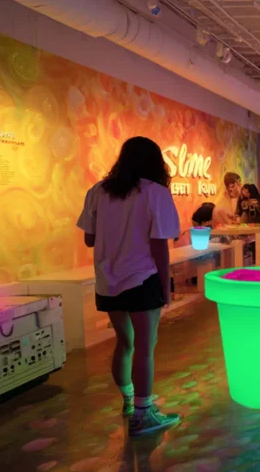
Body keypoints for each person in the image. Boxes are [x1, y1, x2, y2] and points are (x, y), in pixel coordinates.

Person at [76, 136, 181, 437]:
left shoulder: (98, 191)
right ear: (155, 162)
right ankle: (143, 415)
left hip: (107, 280)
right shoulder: (155, 193)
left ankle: (129, 400)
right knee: (145, 347)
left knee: (125, 343)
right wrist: (166, 286)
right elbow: (159, 245)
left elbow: (89, 239)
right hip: (142, 278)